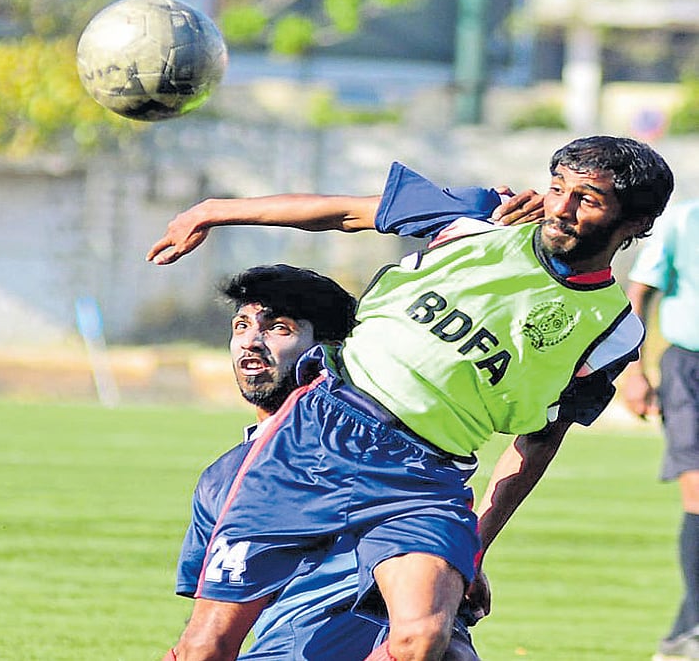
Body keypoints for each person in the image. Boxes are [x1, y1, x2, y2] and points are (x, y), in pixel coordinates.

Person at [150, 135, 674, 661]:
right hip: (315, 436)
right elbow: (343, 213)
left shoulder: (613, 333)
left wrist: (476, 545)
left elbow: (537, 443)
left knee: (422, 640)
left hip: (424, 478)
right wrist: (215, 211)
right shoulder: (480, 218)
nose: (560, 207)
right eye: (558, 187)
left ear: (635, 225)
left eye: (588, 198)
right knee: (207, 647)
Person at [177, 262, 509, 659]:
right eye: (241, 326)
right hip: (293, 652)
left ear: (331, 348)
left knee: (449, 648)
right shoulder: (225, 480)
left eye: (279, 328)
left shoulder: (400, 458)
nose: (251, 342)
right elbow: (207, 635)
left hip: (403, 644)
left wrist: (460, 560)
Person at [622, 200, 699, 661]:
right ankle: (690, 630)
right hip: (689, 368)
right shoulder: (684, 220)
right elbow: (641, 290)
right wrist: (633, 370)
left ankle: (682, 635)